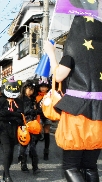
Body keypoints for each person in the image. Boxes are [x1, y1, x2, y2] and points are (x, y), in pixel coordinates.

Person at [44, 15, 102, 181]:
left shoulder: (72, 52)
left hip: (76, 112)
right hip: (98, 114)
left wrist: (51, 53)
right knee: (90, 166)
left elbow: (59, 76)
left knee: (71, 166)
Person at [0, 76, 23, 182]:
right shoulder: (1, 100)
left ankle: (5, 172)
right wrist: (14, 114)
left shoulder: (19, 101)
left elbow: (21, 115)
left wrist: (11, 114)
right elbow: (0, 115)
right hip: (3, 129)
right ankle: (7, 176)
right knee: (7, 151)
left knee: (11, 153)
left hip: (15, 129)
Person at [18, 80, 40, 174]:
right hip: (24, 124)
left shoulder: (32, 99)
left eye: (32, 89)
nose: (31, 91)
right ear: (25, 88)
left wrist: (36, 111)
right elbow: (25, 111)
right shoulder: (20, 99)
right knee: (24, 145)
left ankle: (34, 167)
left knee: (32, 146)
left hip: (32, 124)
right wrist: (34, 111)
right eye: (29, 89)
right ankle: (24, 165)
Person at [35, 77, 52, 160]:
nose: (43, 88)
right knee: (38, 132)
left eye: (45, 86)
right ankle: (33, 150)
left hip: (47, 115)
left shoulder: (50, 96)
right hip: (39, 115)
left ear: (48, 87)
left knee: (46, 134)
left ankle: (46, 152)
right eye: (41, 86)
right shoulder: (36, 96)